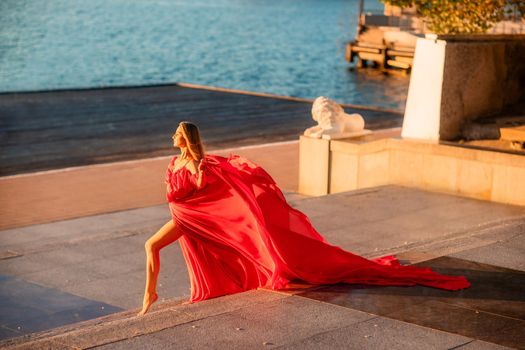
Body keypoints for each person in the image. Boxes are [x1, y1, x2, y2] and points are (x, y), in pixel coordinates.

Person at [138, 121, 470, 316]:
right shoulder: (177, 162)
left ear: (186, 138)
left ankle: (149, 295)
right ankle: (158, 293)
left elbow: (212, 190)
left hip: (191, 218)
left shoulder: (200, 165)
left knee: (151, 245)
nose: (172, 138)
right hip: (188, 217)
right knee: (180, 251)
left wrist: (207, 188)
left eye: (176, 134)